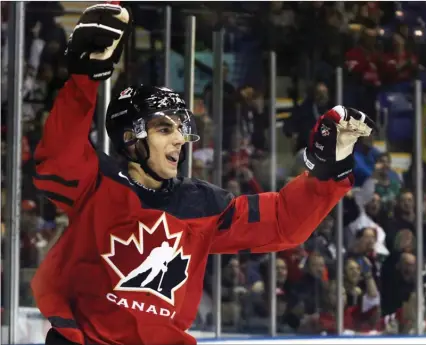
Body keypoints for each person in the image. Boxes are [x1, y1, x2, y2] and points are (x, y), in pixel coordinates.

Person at [32, 4, 375, 345]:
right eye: (164, 129)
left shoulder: (202, 204)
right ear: (130, 137)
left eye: (181, 129)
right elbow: (57, 159)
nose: (180, 138)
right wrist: (83, 77)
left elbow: (283, 222)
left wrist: (328, 169)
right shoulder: (96, 182)